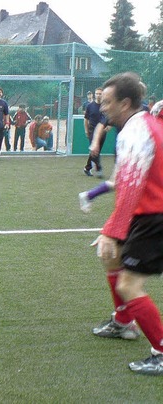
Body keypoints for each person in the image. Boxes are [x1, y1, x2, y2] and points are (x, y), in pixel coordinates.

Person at [89, 72, 163, 375]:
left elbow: (130, 187)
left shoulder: (136, 132)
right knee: (110, 258)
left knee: (129, 284)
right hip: (143, 212)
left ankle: (160, 351)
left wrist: (111, 229)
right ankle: (123, 323)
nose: (102, 108)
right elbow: (123, 181)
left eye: (107, 102)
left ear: (126, 103)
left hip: (152, 216)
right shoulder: (142, 125)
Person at [83, 88, 105, 178]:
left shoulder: (105, 106)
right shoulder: (90, 106)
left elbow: (110, 117)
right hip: (92, 130)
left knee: (97, 150)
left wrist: (109, 126)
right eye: (97, 94)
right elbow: (86, 119)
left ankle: (87, 168)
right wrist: (86, 130)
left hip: (103, 132)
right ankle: (99, 168)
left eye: (100, 94)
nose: (98, 95)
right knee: (95, 149)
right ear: (94, 95)